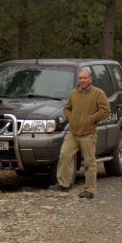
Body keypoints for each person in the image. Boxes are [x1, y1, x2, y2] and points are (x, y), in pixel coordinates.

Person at [51, 69, 111, 199]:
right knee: (64, 155)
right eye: (80, 78)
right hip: (73, 132)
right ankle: (63, 184)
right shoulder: (73, 93)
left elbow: (106, 110)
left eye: (84, 78)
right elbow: (66, 108)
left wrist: (91, 119)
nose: (82, 80)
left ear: (90, 79)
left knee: (89, 162)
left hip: (88, 133)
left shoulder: (98, 93)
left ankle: (89, 190)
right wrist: (70, 118)